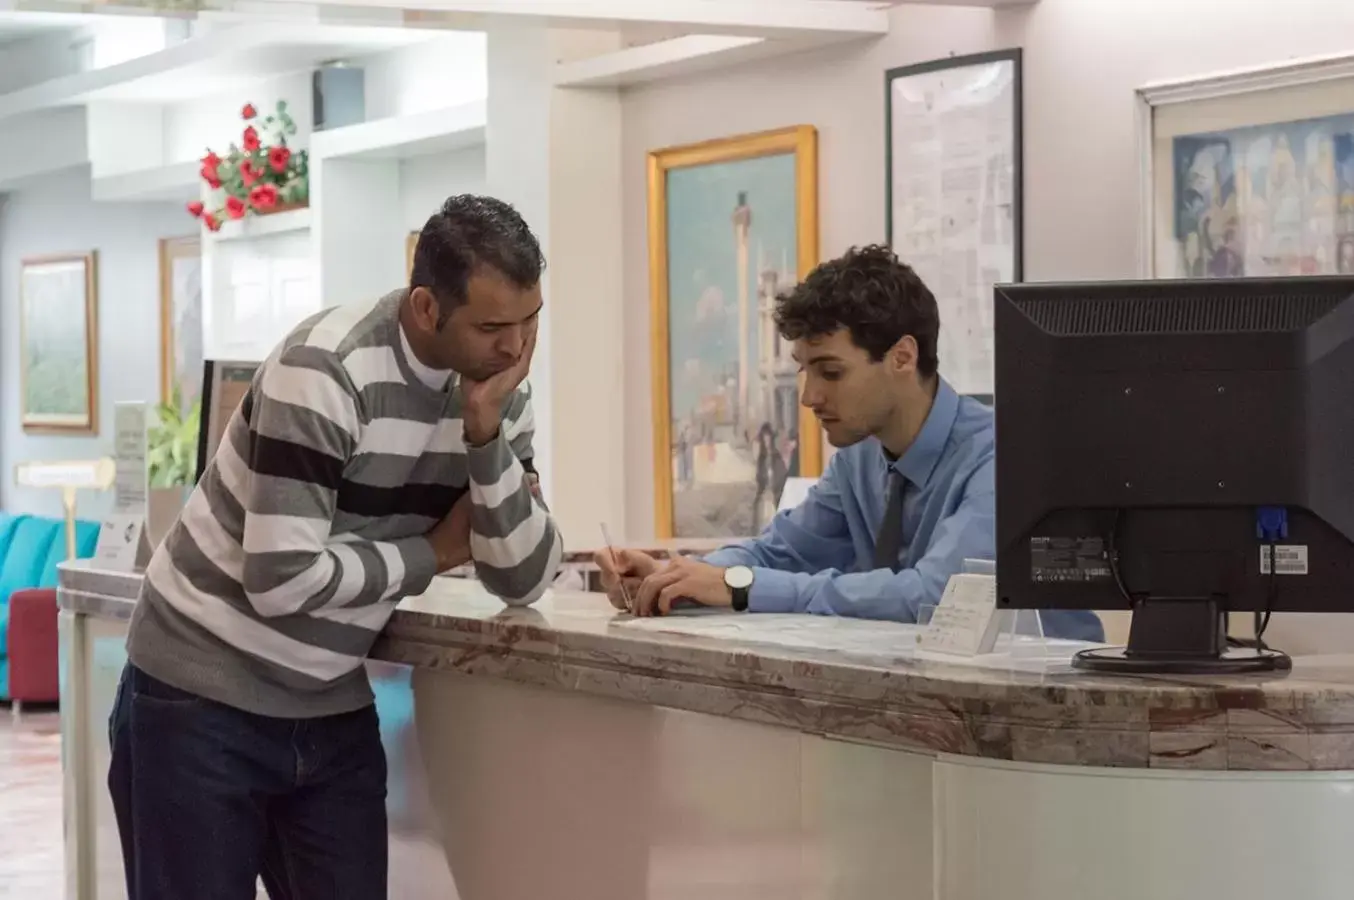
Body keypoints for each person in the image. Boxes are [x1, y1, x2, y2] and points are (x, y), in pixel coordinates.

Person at [108, 194, 564, 900]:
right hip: (198, 695)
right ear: (424, 309)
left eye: (530, 323)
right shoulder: (326, 368)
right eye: (493, 326)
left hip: (327, 705)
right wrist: (433, 552)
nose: (515, 349)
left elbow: (523, 575)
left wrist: (483, 433)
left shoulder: (497, 394)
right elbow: (282, 579)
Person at [596, 244, 1101, 642]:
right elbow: (780, 554)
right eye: (804, 371)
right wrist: (683, 578)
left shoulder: (1001, 459)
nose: (810, 396)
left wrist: (740, 587)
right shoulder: (859, 460)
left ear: (903, 357)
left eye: (831, 372)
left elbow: (935, 598)